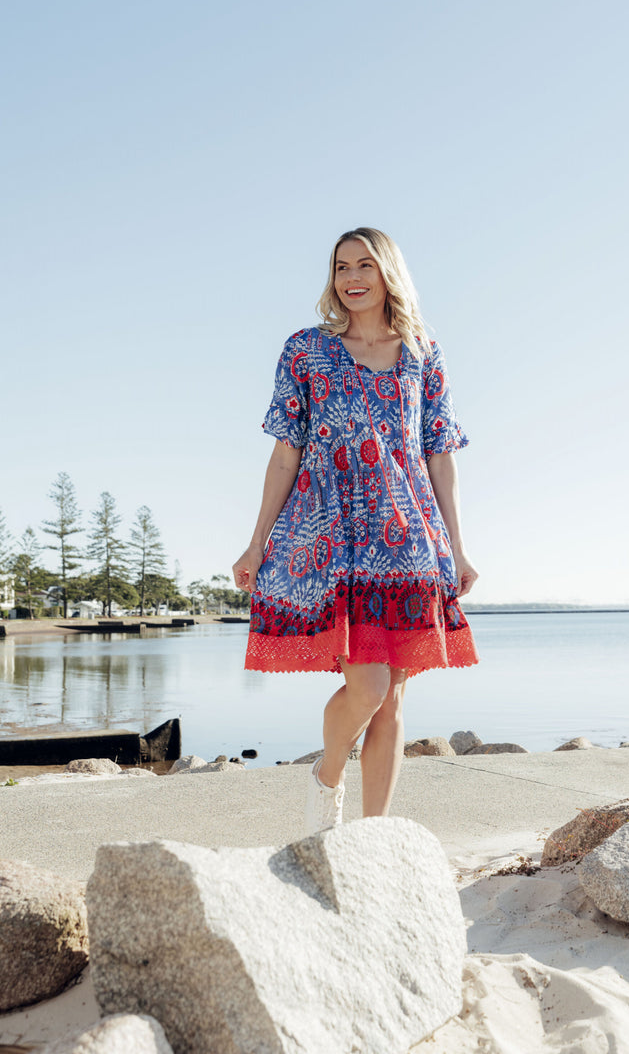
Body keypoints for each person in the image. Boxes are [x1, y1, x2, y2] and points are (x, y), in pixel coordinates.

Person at [232, 227, 478, 834]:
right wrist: (256, 541)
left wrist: (459, 548)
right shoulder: (305, 350)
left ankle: (374, 839)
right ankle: (327, 775)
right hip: (332, 536)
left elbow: (439, 456)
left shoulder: (423, 351)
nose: (351, 278)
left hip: (409, 535)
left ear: (389, 272)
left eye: (365, 265)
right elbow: (285, 454)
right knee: (366, 687)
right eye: (342, 267)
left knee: (394, 697)